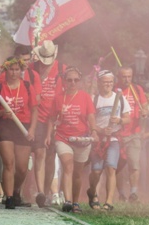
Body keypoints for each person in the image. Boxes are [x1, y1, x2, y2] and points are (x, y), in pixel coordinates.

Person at [47, 66, 97, 213]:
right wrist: (48, 135)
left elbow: (91, 116)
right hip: (63, 137)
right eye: (69, 80)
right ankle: (67, 201)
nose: (73, 83)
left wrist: (94, 131)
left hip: (82, 139)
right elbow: (51, 118)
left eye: (76, 80)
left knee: (77, 173)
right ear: (64, 81)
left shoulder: (85, 97)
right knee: (68, 166)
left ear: (79, 81)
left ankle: (76, 202)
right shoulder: (58, 98)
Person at [0, 57, 38, 209]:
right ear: (6, 70)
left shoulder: (27, 86)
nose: (14, 72)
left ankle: (16, 190)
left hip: (22, 126)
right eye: (11, 69)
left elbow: (35, 110)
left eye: (17, 69)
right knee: (9, 163)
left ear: (21, 71)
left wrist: (32, 129)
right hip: (5, 126)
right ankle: (9, 197)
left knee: (22, 167)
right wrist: (2, 111)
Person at [88, 70, 130, 211]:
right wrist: (99, 130)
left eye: (110, 82)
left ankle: (108, 202)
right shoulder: (94, 99)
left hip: (114, 139)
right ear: (99, 83)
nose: (108, 84)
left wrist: (119, 120)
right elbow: (89, 121)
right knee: (96, 171)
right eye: (105, 82)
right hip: (98, 140)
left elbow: (128, 118)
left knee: (111, 168)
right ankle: (93, 194)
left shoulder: (119, 98)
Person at [31, 40, 65, 207]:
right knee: (39, 154)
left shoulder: (61, 70)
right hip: (36, 118)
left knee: (51, 157)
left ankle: (47, 188)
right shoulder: (33, 68)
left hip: (54, 119)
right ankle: (41, 192)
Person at [115, 66, 148, 203]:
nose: (127, 79)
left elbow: (145, 106)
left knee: (134, 163)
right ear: (119, 76)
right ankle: (121, 193)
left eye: (129, 76)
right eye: (124, 76)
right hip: (117, 134)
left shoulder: (137, 89)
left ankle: (133, 193)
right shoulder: (114, 89)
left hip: (134, 133)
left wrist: (145, 112)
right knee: (117, 166)